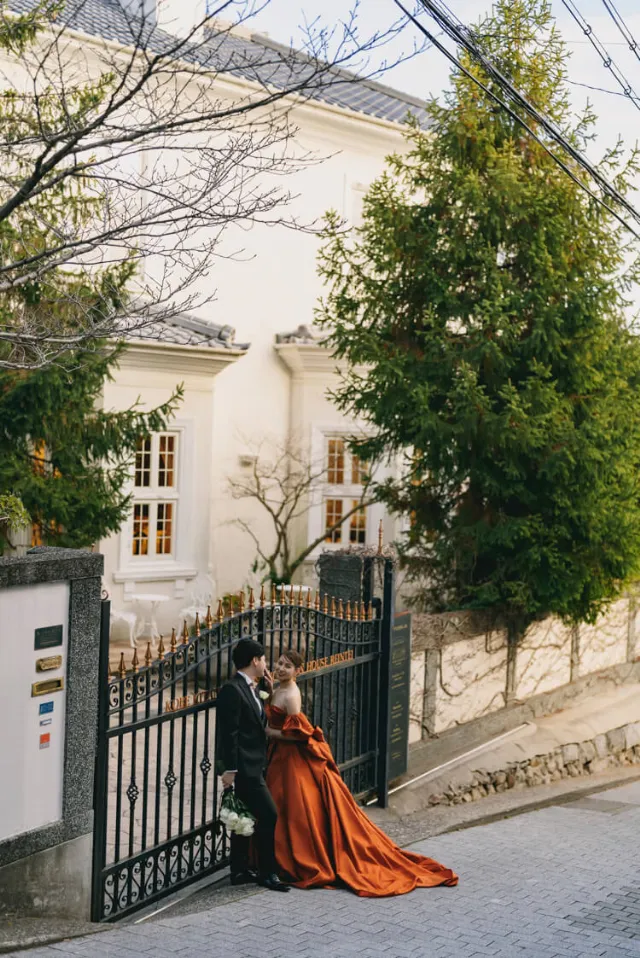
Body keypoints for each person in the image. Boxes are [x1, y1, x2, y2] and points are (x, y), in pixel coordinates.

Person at [265, 649, 458, 896]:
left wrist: (271, 733)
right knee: (282, 805)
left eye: (287, 666)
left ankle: (298, 858)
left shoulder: (292, 695)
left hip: (291, 759)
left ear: (298, 672)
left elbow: (298, 734)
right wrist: (270, 692)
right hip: (278, 758)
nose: (281, 668)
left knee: (294, 807)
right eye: (280, 663)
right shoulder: (279, 688)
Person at [216, 637, 290, 892]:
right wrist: (230, 770)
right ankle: (267, 873)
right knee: (268, 814)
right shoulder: (232, 689)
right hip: (244, 768)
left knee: (244, 817)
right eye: (264, 659)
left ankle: (238, 870)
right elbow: (229, 734)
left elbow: (256, 717)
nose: (267, 664)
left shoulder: (253, 687)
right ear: (255, 661)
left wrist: (268, 693)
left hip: (256, 764)